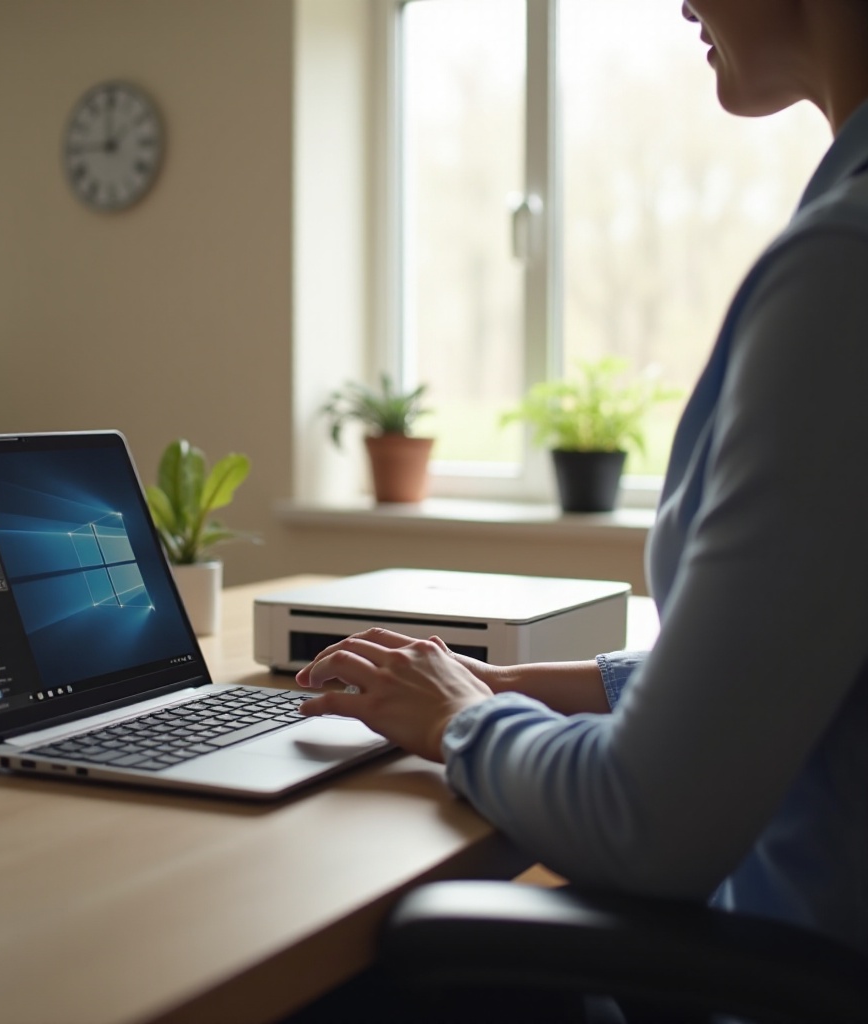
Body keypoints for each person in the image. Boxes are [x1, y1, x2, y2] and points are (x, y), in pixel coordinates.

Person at [297, 0, 868, 961]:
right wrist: (513, 682)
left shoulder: (844, 270)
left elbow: (646, 821)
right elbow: (802, 658)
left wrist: (464, 720)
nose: (679, 2)